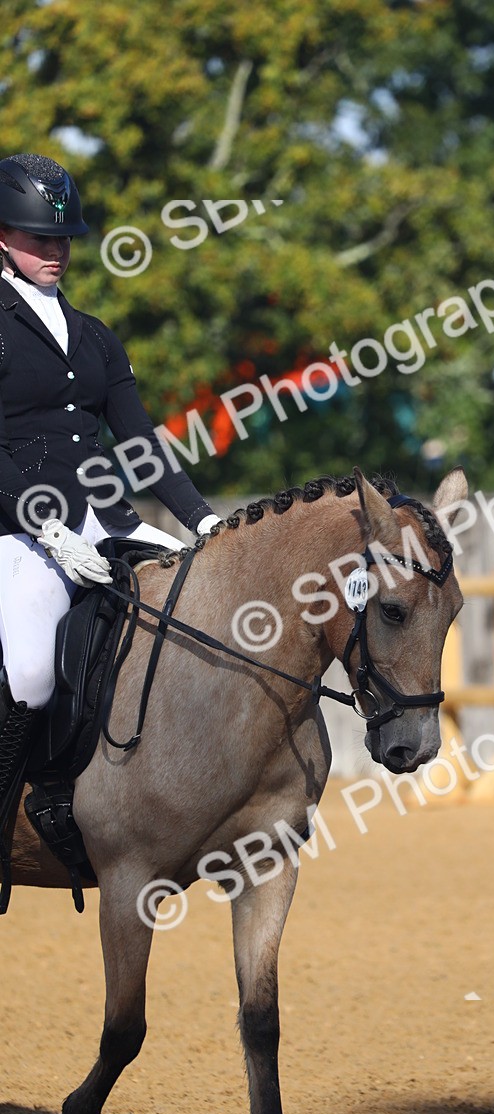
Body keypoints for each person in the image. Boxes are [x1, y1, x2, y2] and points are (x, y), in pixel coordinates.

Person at [0, 152, 223, 837]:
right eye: (40, 238)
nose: (55, 252)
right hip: (19, 532)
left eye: (62, 239)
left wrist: (202, 520)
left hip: (107, 521)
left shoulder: (95, 336)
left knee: (202, 613)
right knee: (34, 671)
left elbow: (141, 445)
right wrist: (40, 524)